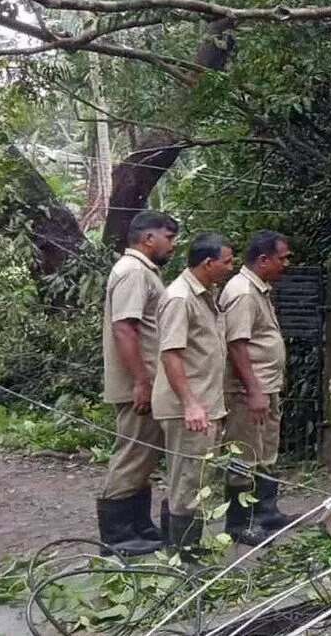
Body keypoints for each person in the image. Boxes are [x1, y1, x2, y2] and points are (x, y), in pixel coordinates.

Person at [97, 210, 180, 557]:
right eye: (169, 237)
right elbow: (124, 328)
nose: (173, 244)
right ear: (148, 238)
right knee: (132, 453)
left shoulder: (142, 271)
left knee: (144, 454)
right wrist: (141, 382)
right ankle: (116, 535)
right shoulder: (132, 272)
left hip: (146, 380)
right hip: (138, 383)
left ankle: (138, 526)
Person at [152, 231, 236, 556]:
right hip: (189, 407)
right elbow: (170, 354)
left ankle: (187, 546)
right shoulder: (180, 298)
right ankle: (181, 553)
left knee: (198, 477)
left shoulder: (206, 293)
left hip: (207, 404)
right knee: (187, 479)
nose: (232, 267)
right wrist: (190, 403)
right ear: (208, 262)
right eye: (227, 262)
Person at [221, 231, 296, 545]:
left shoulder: (258, 289)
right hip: (246, 391)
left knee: (265, 450)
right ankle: (238, 523)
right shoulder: (242, 292)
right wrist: (252, 390)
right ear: (263, 260)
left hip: (265, 386)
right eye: (282, 258)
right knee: (244, 453)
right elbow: (236, 345)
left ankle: (266, 511)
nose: (286, 264)